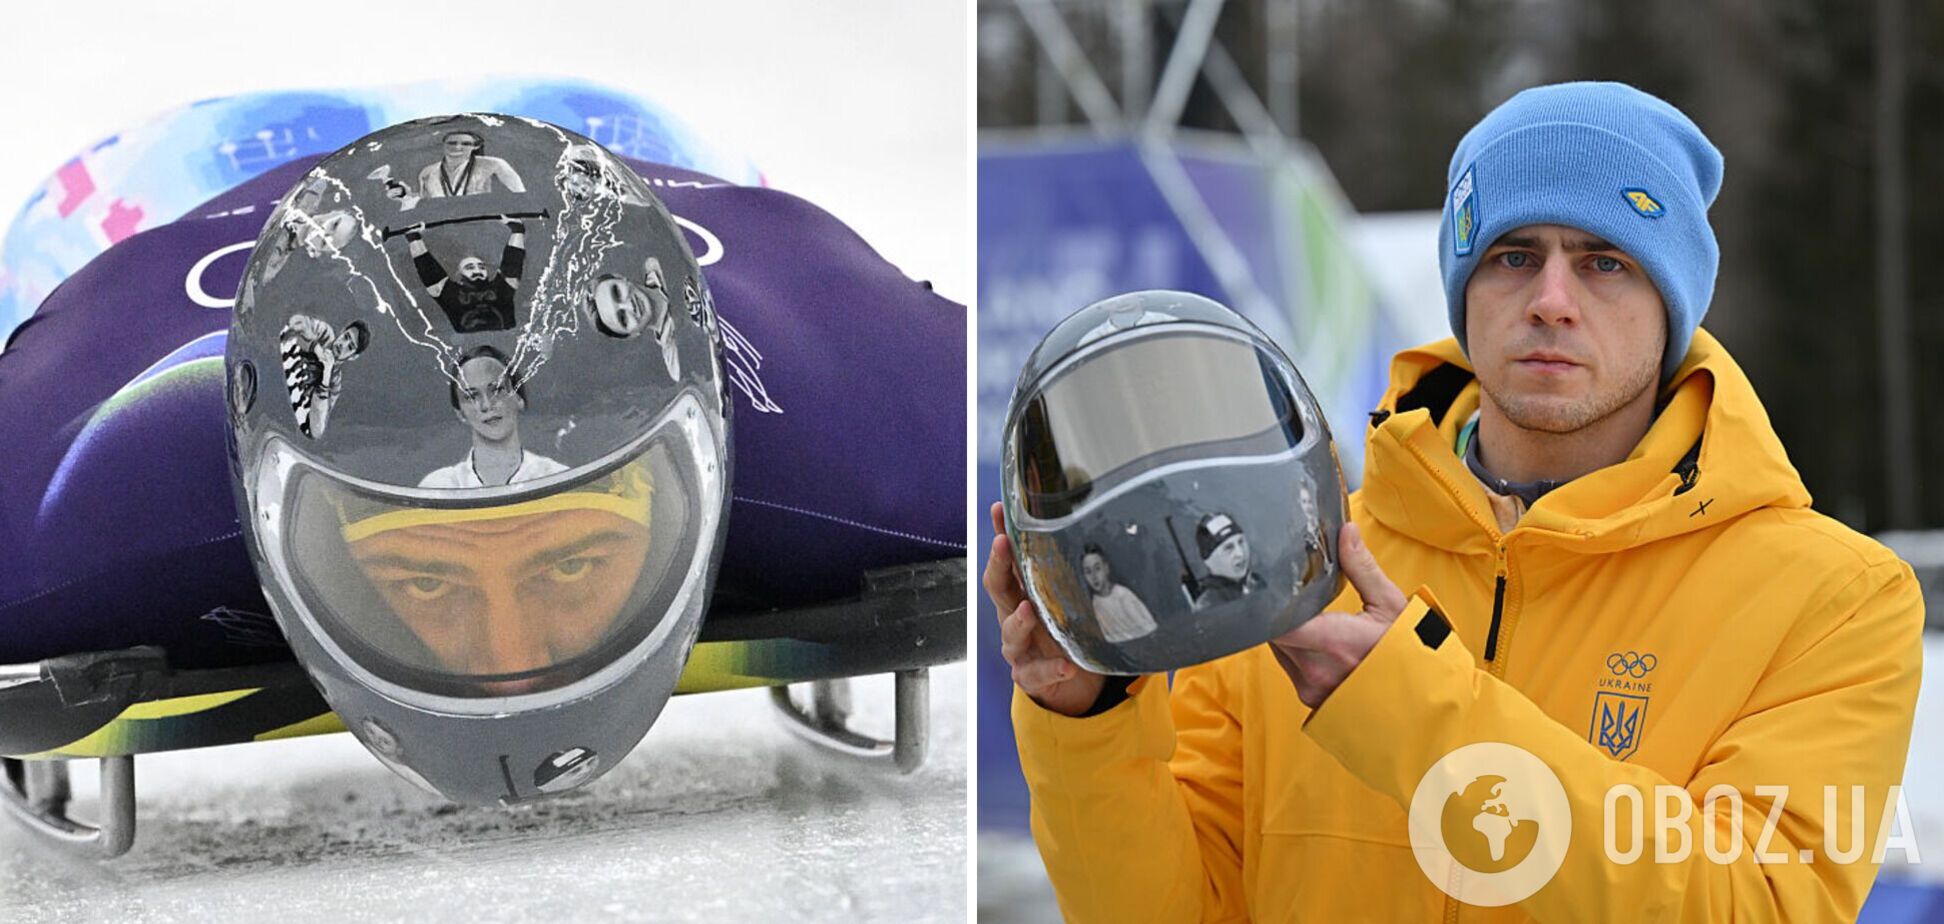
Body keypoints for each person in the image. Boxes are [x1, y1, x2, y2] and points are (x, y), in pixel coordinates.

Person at [986, 82, 1924, 921]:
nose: (1553, 299)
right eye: (1514, 256)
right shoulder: (1299, 554)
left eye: (1606, 261)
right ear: (1464, 286)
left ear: (1673, 299)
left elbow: (1758, 906)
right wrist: (1091, 722)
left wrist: (1411, 713)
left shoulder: (1834, 599)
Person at [420, 345, 566, 488]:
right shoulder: (438, 488)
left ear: (519, 398)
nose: (487, 405)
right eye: (472, 396)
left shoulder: (556, 478)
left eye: (497, 390)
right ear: (460, 413)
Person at [405, 216, 526, 332]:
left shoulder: (500, 288)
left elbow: (513, 262)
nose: (477, 271)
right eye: (469, 267)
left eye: (481, 267)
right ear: (459, 274)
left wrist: (517, 230)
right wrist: (414, 238)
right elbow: (427, 267)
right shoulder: (449, 292)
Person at [277, 315, 367, 439]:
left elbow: (316, 430)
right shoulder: (325, 333)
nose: (343, 345)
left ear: (353, 357)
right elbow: (294, 322)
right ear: (342, 331)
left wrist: (326, 374)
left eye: (350, 347)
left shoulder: (334, 383)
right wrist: (315, 347)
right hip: (276, 360)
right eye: (346, 337)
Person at [1080, 544, 1157, 642]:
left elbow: (1149, 628)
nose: (1094, 576)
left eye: (1097, 568)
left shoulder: (1123, 595)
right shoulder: (1095, 603)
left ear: (1106, 568)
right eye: (1088, 572)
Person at [417, 129, 526, 198]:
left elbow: (520, 195)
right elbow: (425, 206)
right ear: (443, 145)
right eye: (452, 143)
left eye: (465, 144)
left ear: (475, 146)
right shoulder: (428, 172)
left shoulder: (495, 165)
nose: (457, 147)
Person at [1189, 512, 1264, 609]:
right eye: (1228, 548)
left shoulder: (1256, 582)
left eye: (1241, 542)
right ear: (1209, 559)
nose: (1240, 554)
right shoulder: (1209, 603)